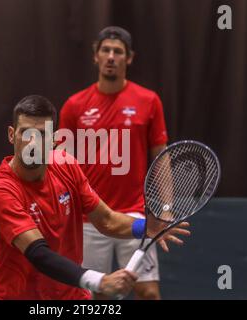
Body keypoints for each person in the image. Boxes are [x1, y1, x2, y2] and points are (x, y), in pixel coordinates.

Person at [0, 95, 189, 299]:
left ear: (54, 139)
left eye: (42, 134)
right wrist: (100, 281)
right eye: (26, 133)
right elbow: (39, 255)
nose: (33, 143)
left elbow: (106, 220)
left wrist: (146, 228)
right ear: (11, 134)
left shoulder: (66, 166)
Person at [59, 26, 169, 300]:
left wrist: (166, 208)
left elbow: (162, 157)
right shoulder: (74, 106)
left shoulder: (148, 101)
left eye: (118, 52)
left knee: (148, 293)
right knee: (96, 296)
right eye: (105, 50)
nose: (111, 56)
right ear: (95, 56)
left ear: (129, 58)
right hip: (89, 218)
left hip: (134, 215)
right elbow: (61, 165)